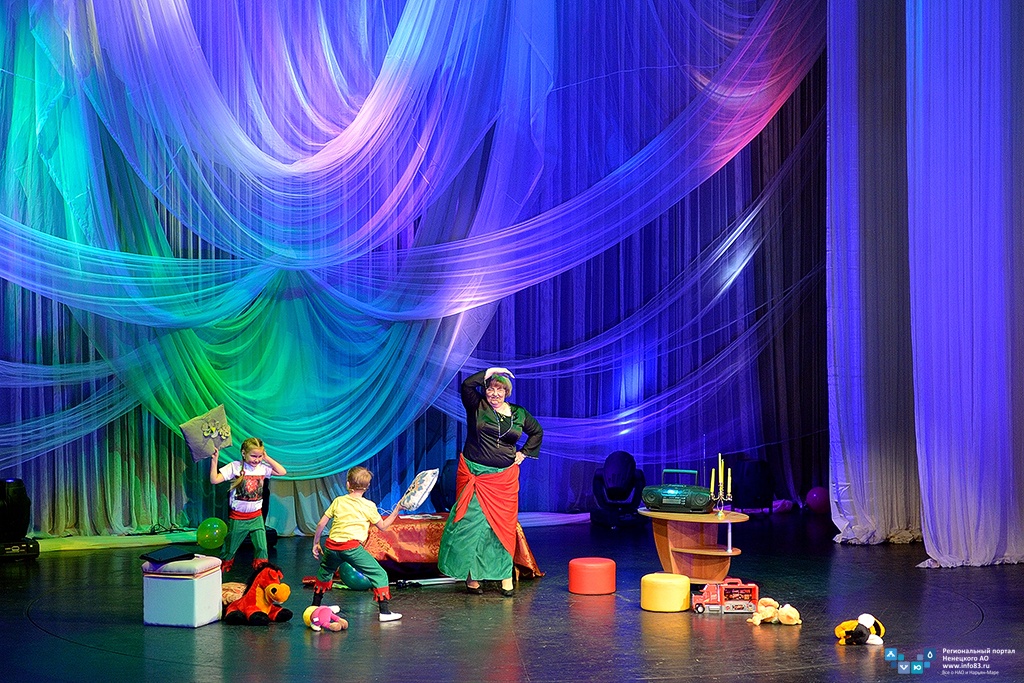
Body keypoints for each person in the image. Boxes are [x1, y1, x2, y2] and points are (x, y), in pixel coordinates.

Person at [437, 367, 543, 597]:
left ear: (507, 392)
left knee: (501, 529)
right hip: (475, 475)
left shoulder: (519, 413)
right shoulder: (477, 405)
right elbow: (467, 385)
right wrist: (492, 371)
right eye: (490, 389)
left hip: (503, 480)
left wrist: (524, 453)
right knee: (472, 526)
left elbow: (537, 432)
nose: (494, 393)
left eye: (499, 389)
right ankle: (472, 578)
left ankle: (505, 578)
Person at [310, 466, 404, 622]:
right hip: (351, 548)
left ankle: (314, 606)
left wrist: (316, 543)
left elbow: (321, 524)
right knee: (379, 574)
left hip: (331, 546)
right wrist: (397, 509)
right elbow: (383, 526)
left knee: (325, 572)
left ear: (348, 484)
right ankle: (385, 612)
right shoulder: (368, 505)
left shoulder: (338, 501)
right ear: (367, 487)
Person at [209, 437, 286, 574]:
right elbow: (214, 480)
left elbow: (282, 471)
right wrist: (214, 460)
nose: (257, 460)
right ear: (244, 453)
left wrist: (266, 458)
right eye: (253, 456)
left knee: (262, 548)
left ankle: (262, 577)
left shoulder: (262, 468)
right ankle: (218, 574)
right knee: (230, 550)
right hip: (238, 518)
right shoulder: (235, 466)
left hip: (256, 517)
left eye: (259, 456)